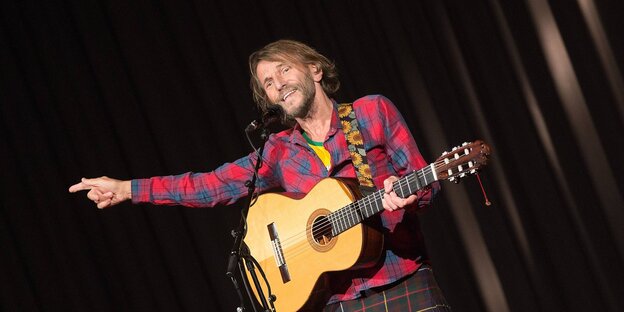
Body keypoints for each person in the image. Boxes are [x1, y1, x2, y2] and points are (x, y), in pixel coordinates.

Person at [69, 39, 451, 311]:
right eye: (268, 83)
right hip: (338, 301)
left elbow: (426, 181)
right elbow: (210, 185)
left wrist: (410, 195)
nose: (278, 83)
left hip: (403, 280)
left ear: (315, 70)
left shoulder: (371, 113)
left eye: (284, 69)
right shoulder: (278, 150)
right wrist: (128, 188)